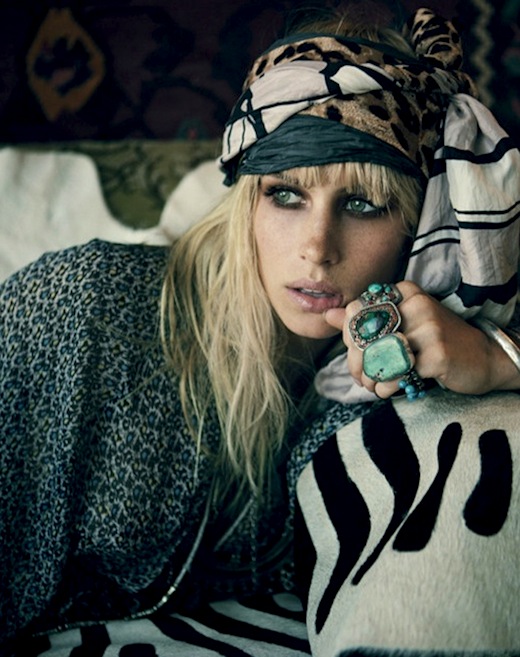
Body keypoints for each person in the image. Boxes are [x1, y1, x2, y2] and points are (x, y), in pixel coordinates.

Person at [1, 5, 519, 653]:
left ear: (418, 230)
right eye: (286, 195)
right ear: (247, 198)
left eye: (362, 204)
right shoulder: (85, 307)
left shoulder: (374, 381)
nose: (317, 248)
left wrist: (498, 362)